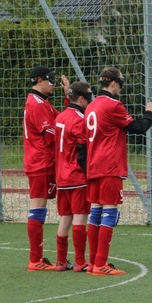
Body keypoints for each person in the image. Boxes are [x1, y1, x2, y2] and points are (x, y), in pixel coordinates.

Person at [84, 67, 152, 276]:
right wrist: (150, 112)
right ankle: (101, 264)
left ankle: (92, 262)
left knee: (95, 212)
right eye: (121, 84)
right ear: (113, 83)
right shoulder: (112, 105)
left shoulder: (91, 106)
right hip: (109, 166)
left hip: (93, 166)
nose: (122, 89)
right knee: (110, 211)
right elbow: (138, 128)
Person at [23, 65, 70, 271]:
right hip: (41, 162)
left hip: (41, 162)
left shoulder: (42, 102)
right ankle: (35, 260)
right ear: (39, 80)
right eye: (50, 81)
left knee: (39, 208)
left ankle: (37, 259)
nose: (53, 85)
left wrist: (68, 97)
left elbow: (64, 120)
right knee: (38, 209)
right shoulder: (37, 104)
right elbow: (51, 134)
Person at [54, 82, 93, 272]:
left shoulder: (60, 116)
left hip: (61, 176)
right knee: (80, 218)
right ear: (81, 99)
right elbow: (82, 149)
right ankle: (80, 261)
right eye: (89, 96)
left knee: (65, 219)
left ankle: (61, 261)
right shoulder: (80, 120)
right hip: (76, 176)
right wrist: (89, 173)